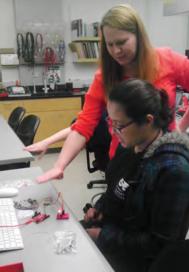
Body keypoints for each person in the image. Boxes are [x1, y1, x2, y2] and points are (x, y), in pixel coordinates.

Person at [25, 4, 189, 183]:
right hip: (123, 164)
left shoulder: (168, 60)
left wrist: (180, 128)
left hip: (165, 162)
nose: (116, 51)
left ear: (139, 36)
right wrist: (59, 165)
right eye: (109, 44)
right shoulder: (104, 77)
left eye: (121, 42)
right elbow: (83, 126)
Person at [82, 78, 189, 272]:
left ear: (148, 120)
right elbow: (116, 190)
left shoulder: (173, 170)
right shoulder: (130, 147)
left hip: (140, 262)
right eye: (111, 123)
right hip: (115, 236)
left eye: (119, 125)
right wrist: (101, 208)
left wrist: (102, 236)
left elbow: (160, 245)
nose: (114, 132)